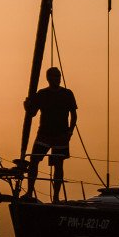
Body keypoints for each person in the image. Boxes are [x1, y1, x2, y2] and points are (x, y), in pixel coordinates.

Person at [23, 66, 77, 202]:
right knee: (34, 160)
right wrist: (26, 106)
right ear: (48, 78)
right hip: (44, 134)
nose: (57, 79)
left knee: (58, 165)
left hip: (61, 135)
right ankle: (29, 192)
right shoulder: (41, 94)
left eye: (58, 76)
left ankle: (56, 197)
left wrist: (70, 132)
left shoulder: (67, 93)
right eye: (54, 76)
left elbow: (74, 114)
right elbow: (32, 113)